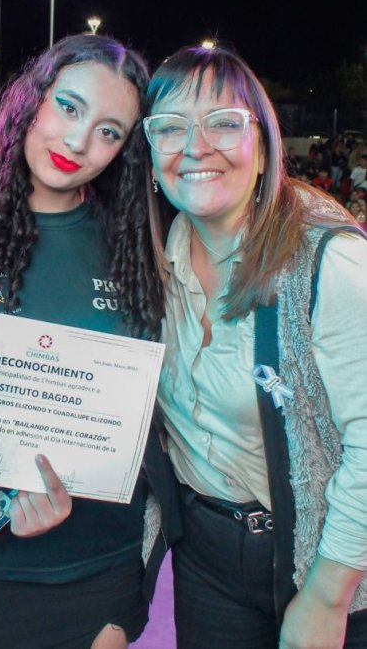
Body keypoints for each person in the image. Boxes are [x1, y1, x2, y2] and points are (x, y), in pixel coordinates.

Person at [0, 34, 181, 649]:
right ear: (30, 102)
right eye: (68, 108)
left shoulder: (138, 246)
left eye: (109, 131)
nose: (78, 142)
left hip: (100, 570)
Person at [142, 44, 367, 649]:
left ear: (264, 146)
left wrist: (328, 594)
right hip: (206, 556)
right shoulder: (149, 256)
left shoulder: (330, 263)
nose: (194, 146)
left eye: (223, 123)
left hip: (325, 554)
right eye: (169, 127)